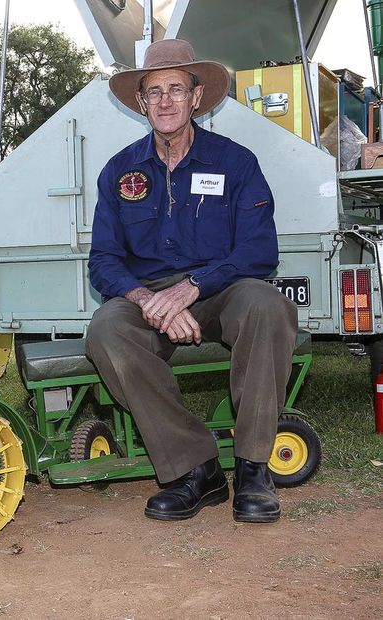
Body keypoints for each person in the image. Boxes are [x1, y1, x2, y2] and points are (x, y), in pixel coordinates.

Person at [85, 39, 298, 523]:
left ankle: (253, 468)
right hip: (150, 298)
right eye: (154, 91)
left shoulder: (235, 163)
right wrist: (148, 299)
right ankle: (196, 467)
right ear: (141, 102)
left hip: (222, 289)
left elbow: (259, 251)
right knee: (106, 330)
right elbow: (103, 260)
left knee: (268, 305)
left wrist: (193, 288)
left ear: (196, 97)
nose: (164, 101)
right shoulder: (118, 172)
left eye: (176, 89)